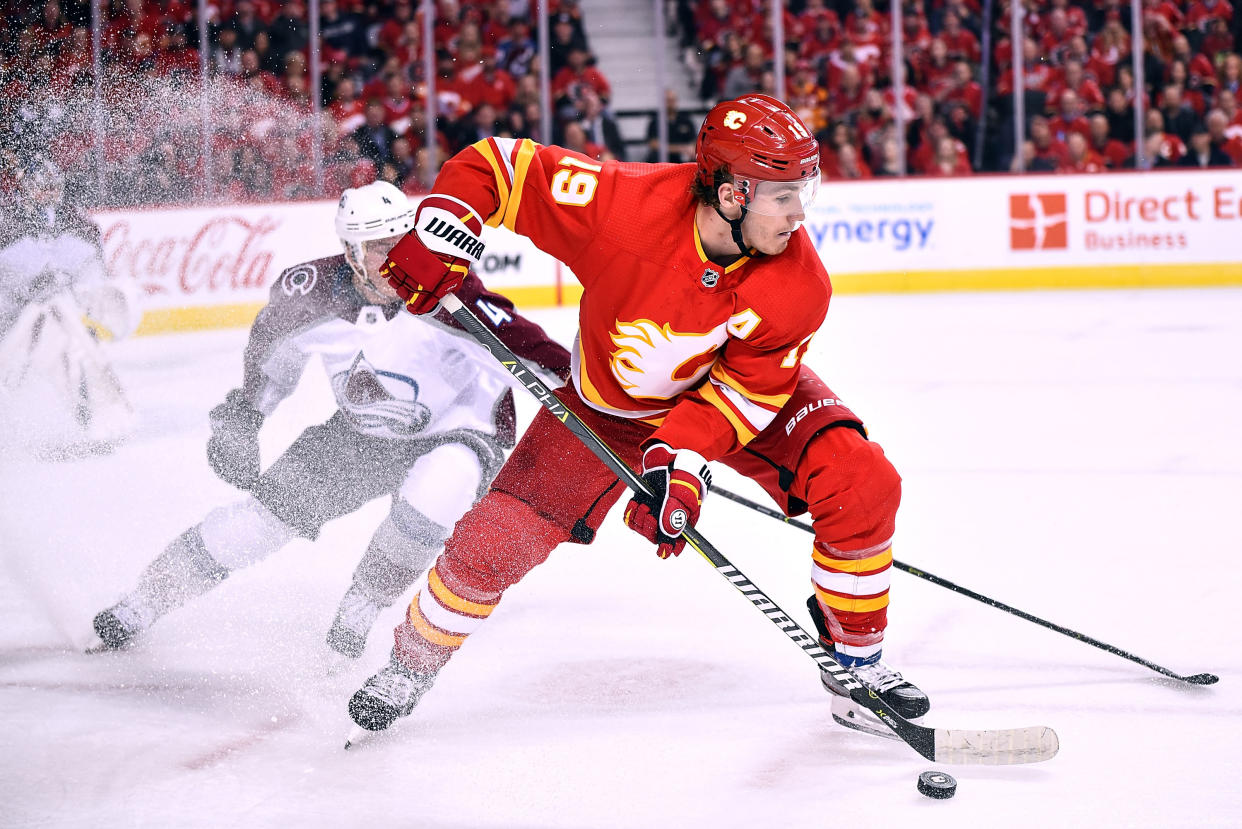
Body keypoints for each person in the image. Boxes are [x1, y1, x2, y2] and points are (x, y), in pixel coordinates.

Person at [347, 95, 928, 734]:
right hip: (606, 408)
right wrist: (441, 228)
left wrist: (678, 461)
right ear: (733, 193)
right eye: (783, 195)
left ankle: (856, 669)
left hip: (720, 400)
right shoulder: (620, 206)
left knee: (861, 478)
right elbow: (499, 166)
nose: (800, 215)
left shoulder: (799, 283)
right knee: (492, 543)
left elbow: (745, 395)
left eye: (803, 193)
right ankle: (411, 663)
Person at [89, 181, 570, 660]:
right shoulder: (310, 295)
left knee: (438, 490)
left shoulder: (451, 294)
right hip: (362, 433)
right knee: (257, 524)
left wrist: (597, 401)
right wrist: (245, 418)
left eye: (401, 245)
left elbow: (539, 355)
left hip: (459, 432)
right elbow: (270, 359)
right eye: (377, 248)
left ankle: (364, 603)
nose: (393, 261)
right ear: (350, 251)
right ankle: (145, 600)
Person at [0, 155, 139, 457]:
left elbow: (90, 270)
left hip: (53, 310)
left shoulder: (75, 220)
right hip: (10, 313)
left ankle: (86, 422)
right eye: (41, 187)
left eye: (53, 186)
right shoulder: (7, 219)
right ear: (26, 189)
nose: (48, 193)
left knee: (77, 356)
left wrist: (79, 298)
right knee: (11, 368)